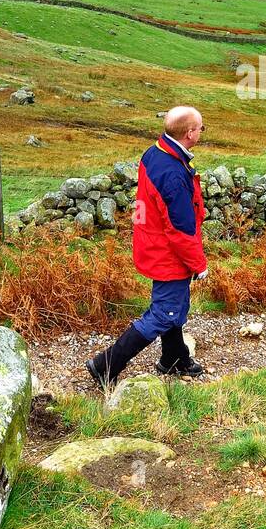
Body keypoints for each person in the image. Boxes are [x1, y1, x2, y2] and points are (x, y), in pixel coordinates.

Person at [86, 106, 207, 386]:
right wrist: (199, 265)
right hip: (167, 253)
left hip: (151, 243)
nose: (202, 131)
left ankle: (174, 359)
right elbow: (180, 229)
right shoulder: (173, 173)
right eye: (201, 127)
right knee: (164, 313)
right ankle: (105, 365)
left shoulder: (156, 153)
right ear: (189, 133)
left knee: (175, 304)